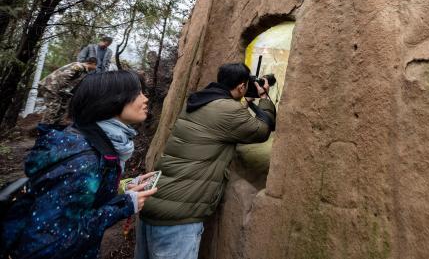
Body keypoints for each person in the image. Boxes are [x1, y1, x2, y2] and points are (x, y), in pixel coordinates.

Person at [1, 71, 159, 259]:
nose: (145, 99)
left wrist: (123, 188)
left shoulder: (91, 141)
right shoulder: (84, 160)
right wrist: (124, 205)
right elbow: (45, 246)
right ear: (111, 100)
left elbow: (79, 200)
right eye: (138, 92)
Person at [135, 63, 276, 259]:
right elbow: (262, 130)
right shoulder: (229, 110)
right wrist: (264, 98)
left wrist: (244, 102)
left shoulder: (199, 101)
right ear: (242, 86)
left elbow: (218, 122)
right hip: (179, 218)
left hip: (155, 203)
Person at [39, 57, 98, 124]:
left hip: (55, 87)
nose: (95, 68)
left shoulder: (82, 69)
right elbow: (64, 77)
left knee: (61, 107)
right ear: (92, 64)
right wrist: (64, 90)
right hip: (51, 86)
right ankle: (44, 128)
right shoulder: (79, 67)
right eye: (95, 65)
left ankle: (55, 125)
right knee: (53, 108)